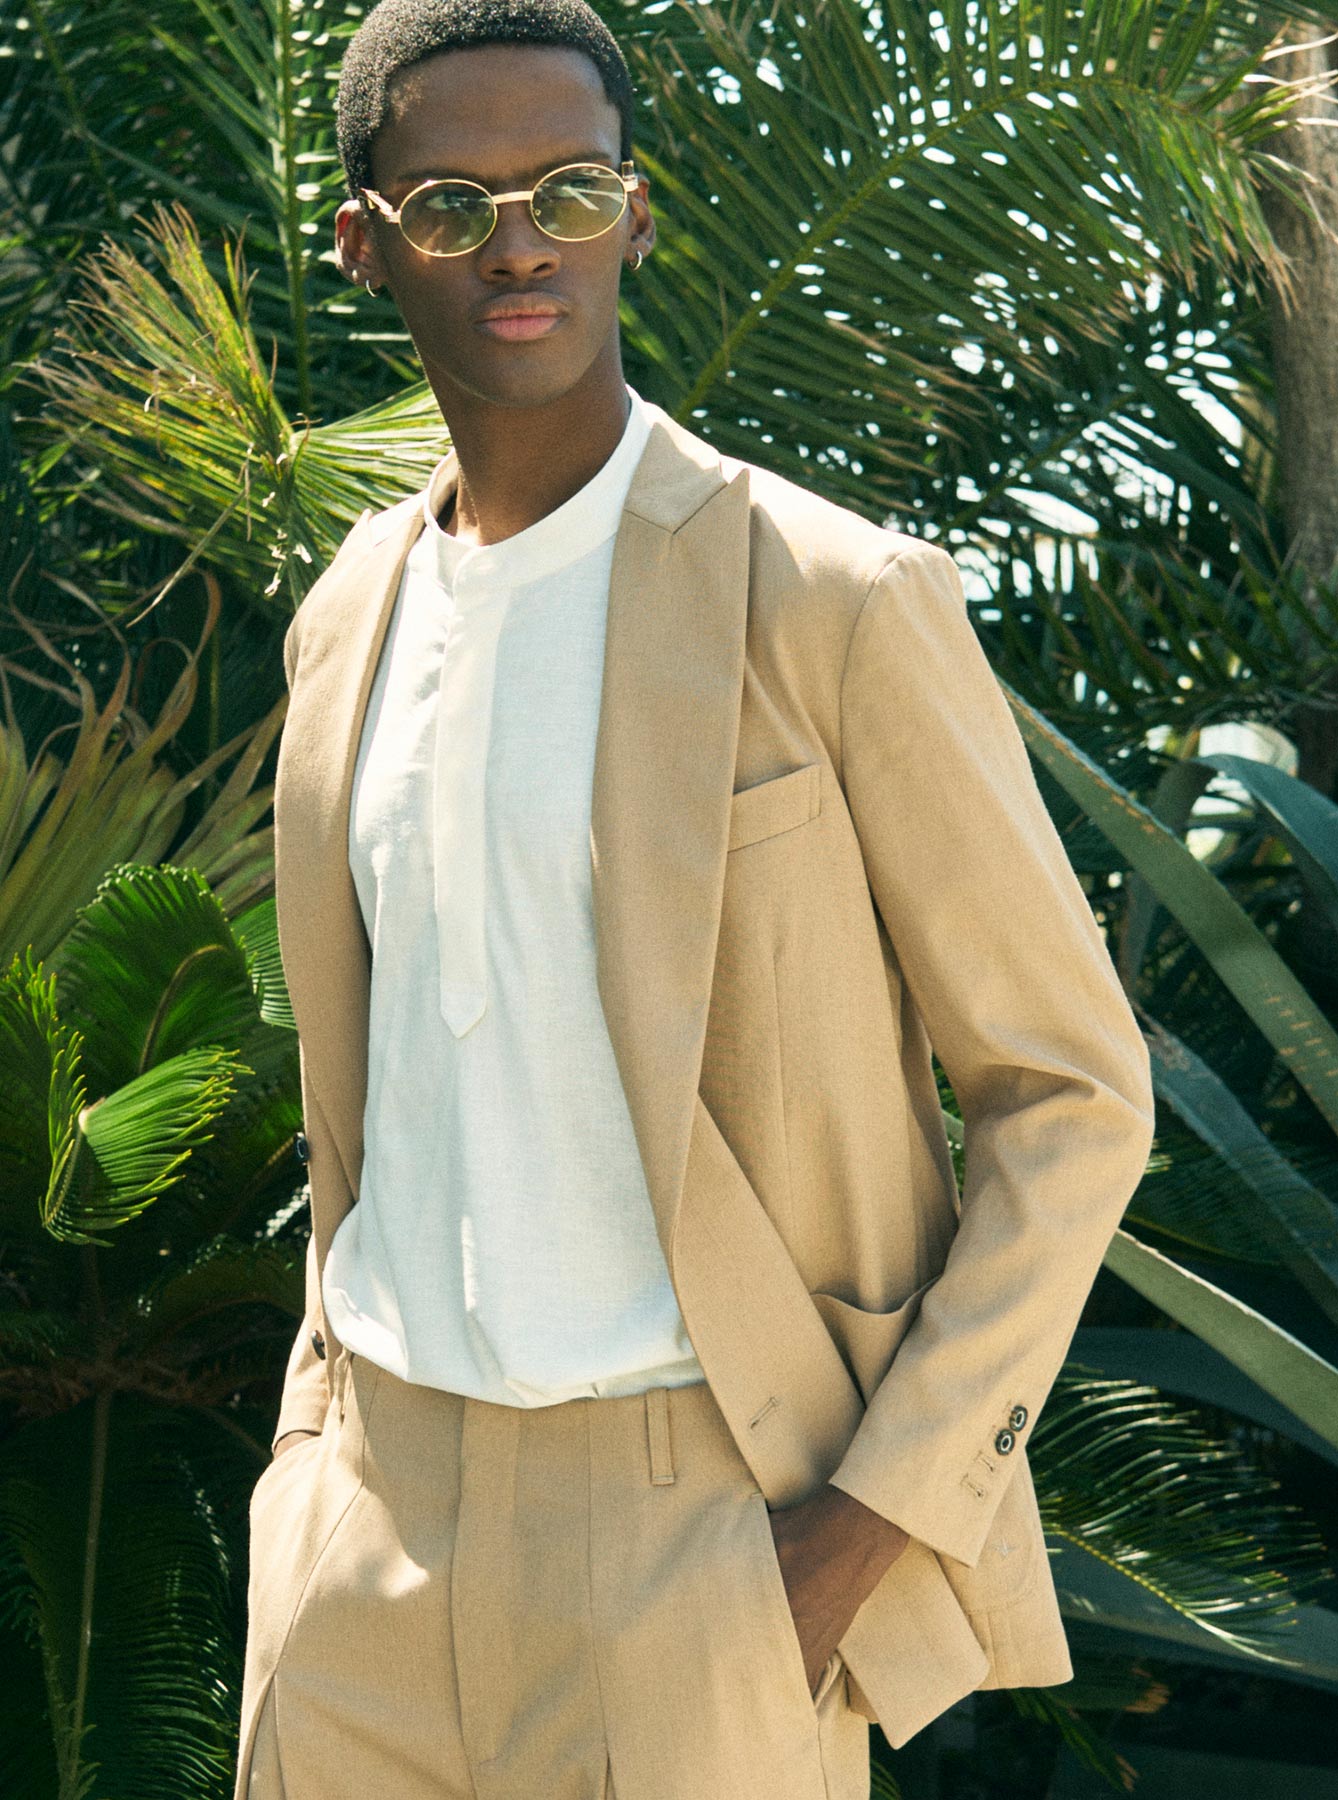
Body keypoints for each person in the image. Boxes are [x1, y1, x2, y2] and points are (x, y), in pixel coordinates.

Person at [236, 2, 1156, 1795]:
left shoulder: (829, 599)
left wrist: (870, 1528)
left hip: (699, 1550)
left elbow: (1073, 1092)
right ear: (363, 243)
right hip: (361, 1548)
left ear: (636, 216)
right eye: (453, 206)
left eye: (569, 193)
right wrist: (308, 1466)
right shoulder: (348, 617)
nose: (520, 246)